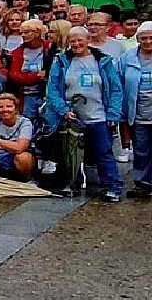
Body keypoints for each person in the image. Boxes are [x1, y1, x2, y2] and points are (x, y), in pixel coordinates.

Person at [44, 26, 125, 203]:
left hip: (98, 115)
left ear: (88, 40)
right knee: (71, 154)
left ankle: (113, 187)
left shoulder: (103, 61)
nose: (76, 44)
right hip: (72, 117)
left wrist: (113, 114)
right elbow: (52, 90)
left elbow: (116, 90)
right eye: (73, 41)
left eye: (80, 40)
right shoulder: (61, 60)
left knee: (103, 152)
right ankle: (71, 184)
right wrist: (63, 110)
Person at [120, 22, 152, 198]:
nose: (148, 41)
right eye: (144, 38)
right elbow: (119, 80)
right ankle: (143, 183)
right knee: (141, 149)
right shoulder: (128, 57)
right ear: (138, 39)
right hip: (138, 110)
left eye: (151, 38)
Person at [0, 93, 36, 182]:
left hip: (17, 158)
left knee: (23, 157)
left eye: (9, 106)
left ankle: (27, 180)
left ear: (15, 108)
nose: (5, 110)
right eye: (1, 107)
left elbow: (20, 148)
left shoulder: (25, 123)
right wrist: (10, 146)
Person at [8, 19, 52, 121]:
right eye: (21, 33)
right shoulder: (18, 52)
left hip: (46, 94)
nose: (23, 35)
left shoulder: (48, 48)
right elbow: (14, 75)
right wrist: (35, 77)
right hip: (26, 96)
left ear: (37, 33)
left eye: (26, 32)